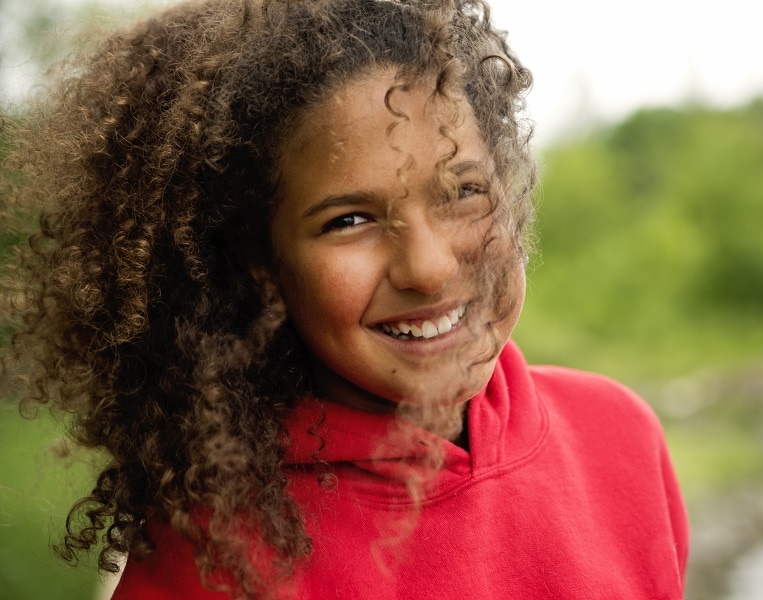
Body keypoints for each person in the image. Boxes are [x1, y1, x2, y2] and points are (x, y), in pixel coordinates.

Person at [0, 0, 689, 598]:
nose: (427, 265)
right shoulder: (214, 567)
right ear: (262, 265)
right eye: (349, 220)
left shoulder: (619, 436)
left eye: (463, 192)